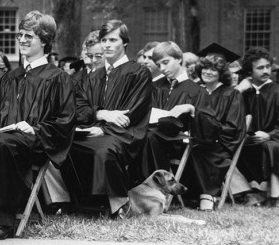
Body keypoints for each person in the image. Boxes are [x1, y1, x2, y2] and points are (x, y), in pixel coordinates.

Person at [0, 10, 76, 240]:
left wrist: (35, 128)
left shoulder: (58, 77)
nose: (21, 40)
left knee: (1, 144)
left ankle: (3, 220)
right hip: (6, 139)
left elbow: (66, 120)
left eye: (28, 36)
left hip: (36, 143)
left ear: (44, 40)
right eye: (19, 35)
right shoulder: (11, 77)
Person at [64, 20, 152, 217]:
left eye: (113, 40)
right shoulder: (93, 76)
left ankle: (118, 204)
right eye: (104, 40)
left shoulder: (139, 73)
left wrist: (103, 129)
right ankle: (81, 203)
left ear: (125, 43)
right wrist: (99, 114)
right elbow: (78, 106)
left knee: (104, 149)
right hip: (92, 131)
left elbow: (133, 112)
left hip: (125, 135)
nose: (107, 45)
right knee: (64, 145)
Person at [139, 42, 219, 205]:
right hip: (153, 136)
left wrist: (191, 108)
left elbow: (212, 125)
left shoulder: (197, 90)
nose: (162, 68)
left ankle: (153, 195)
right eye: (158, 64)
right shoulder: (155, 86)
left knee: (148, 139)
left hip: (177, 143)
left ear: (179, 59)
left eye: (166, 62)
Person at [188, 55, 246, 210]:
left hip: (220, 144)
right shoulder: (196, 92)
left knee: (200, 151)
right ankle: (189, 196)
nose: (207, 72)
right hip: (195, 141)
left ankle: (206, 196)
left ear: (221, 73)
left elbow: (233, 127)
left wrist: (209, 133)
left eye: (213, 69)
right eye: (205, 68)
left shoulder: (232, 94)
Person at [236, 47, 279, 207]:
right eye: (260, 67)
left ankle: (273, 196)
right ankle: (249, 192)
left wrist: (269, 134)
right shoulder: (245, 91)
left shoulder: (276, 91)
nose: (266, 70)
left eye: (268, 66)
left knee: (272, 147)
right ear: (249, 71)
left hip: (272, 138)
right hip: (248, 139)